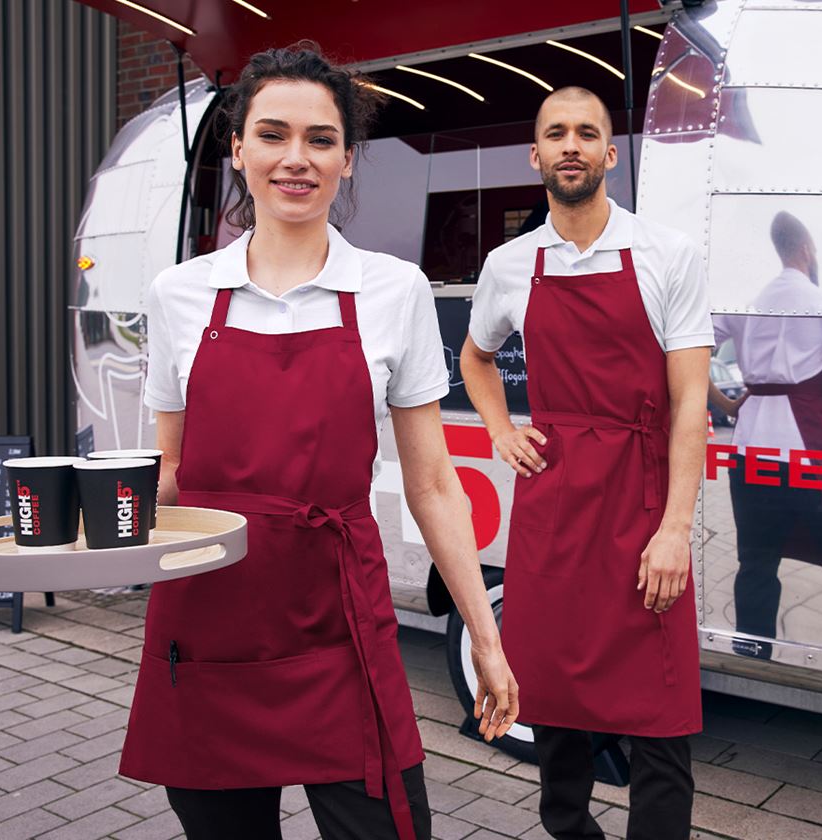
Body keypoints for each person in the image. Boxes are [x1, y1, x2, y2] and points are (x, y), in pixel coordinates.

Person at [119, 44, 518, 840]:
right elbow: (170, 471)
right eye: (272, 135)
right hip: (209, 621)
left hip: (337, 613)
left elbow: (434, 483)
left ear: (345, 160)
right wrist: (83, 531)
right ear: (238, 151)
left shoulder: (390, 289)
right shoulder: (179, 295)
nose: (295, 159)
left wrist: (485, 633)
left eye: (320, 139)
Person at [460, 86, 712, 840]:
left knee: (661, 714)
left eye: (587, 133)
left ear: (610, 154)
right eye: (555, 133)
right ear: (535, 155)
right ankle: (570, 830)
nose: (571, 145)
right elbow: (476, 358)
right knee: (556, 698)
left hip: (641, 500)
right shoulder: (510, 263)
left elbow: (690, 402)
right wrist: (501, 428)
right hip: (556, 503)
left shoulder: (667, 253)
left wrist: (674, 530)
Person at [710, 212, 822, 680]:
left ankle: (750, 659)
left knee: (755, 562)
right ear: (807, 248)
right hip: (808, 454)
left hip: (749, 451)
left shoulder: (746, 302)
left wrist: (727, 404)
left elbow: (690, 355)